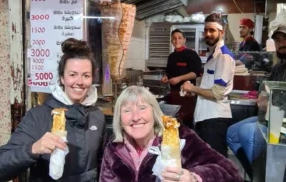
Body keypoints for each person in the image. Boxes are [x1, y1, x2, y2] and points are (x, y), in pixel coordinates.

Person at [0, 38, 106, 182]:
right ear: (62, 78)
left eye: (86, 75)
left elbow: (104, 167)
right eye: (72, 74)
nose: (79, 82)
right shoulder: (38, 117)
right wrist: (33, 149)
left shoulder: (97, 117)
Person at [226, 24, 286, 179]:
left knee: (246, 132)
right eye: (278, 40)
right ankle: (257, 175)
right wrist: (263, 95)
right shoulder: (280, 65)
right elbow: (264, 85)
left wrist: (272, 110)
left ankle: (267, 175)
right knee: (232, 133)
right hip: (272, 118)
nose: (282, 43)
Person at [99, 86, 242, 182]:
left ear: (154, 113)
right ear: (119, 118)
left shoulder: (180, 138)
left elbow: (230, 172)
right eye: (127, 110)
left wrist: (193, 177)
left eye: (142, 108)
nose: (136, 117)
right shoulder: (114, 150)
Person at [181, 13, 236, 157]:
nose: (208, 34)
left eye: (212, 30)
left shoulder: (224, 57)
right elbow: (208, 86)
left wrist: (192, 88)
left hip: (215, 119)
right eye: (206, 30)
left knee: (216, 164)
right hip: (205, 117)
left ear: (221, 32)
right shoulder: (213, 55)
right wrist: (194, 92)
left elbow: (217, 93)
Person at [161, 29, 202, 129]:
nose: (177, 40)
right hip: (173, 94)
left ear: (184, 40)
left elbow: (195, 73)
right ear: (171, 41)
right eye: (174, 38)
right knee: (173, 122)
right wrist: (166, 77)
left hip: (187, 95)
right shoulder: (171, 56)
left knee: (186, 123)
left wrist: (179, 79)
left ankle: (189, 142)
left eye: (179, 38)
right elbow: (169, 72)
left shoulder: (191, 54)